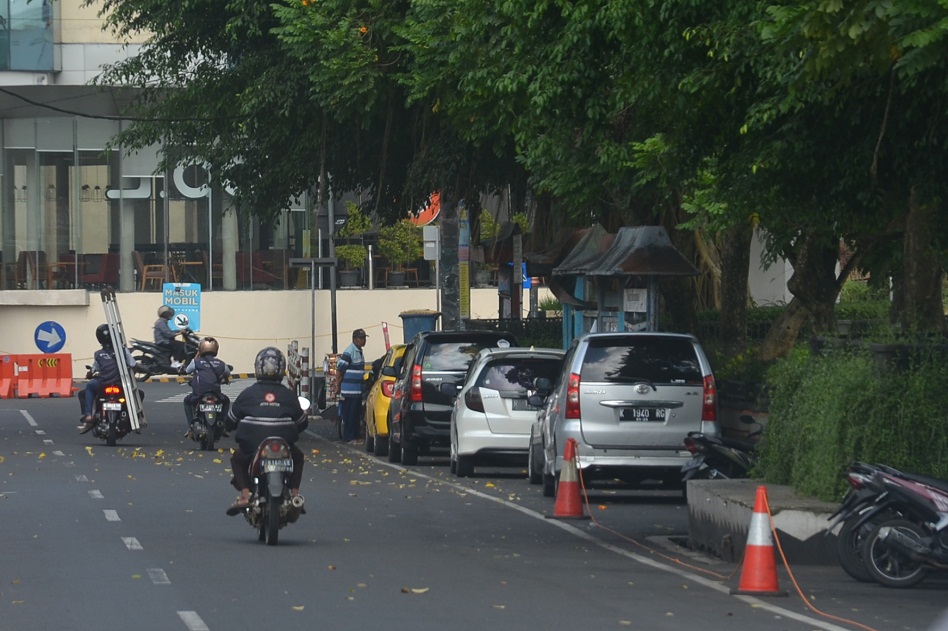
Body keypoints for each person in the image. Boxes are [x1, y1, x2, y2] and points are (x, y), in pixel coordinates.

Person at [225, 347, 308, 515]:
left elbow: (230, 421)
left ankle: (246, 494)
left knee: (237, 460)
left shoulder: (247, 393)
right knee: (298, 458)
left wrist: (228, 428)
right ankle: (294, 494)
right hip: (284, 442)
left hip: (252, 444)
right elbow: (302, 423)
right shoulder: (289, 395)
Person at [79, 324, 137, 434]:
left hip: (102, 384)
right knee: (138, 394)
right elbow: (133, 365)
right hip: (121, 384)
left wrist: (89, 374)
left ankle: (88, 415)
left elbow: (94, 369)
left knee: (89, 387)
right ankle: (134, 418)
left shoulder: (99, 354)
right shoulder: (123, 351)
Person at [182, 336, 231, 437]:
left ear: (201, 349)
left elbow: (187, 371)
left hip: (199, 394)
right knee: (226, 401)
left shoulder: (196, 362)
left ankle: (191, 427)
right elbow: (227, 373)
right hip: (216, 394)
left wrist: (197, 355)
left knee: (187, 401)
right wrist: (225, 381)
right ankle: (223, 423)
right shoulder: (221, 364)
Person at [336, 328, 368, 444]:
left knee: (356, 414)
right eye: (361, 338)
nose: (363, 340)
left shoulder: (358, 351)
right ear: (354, 339)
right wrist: (337, 385)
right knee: (350, 414)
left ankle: (356, 436)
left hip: (357, 390)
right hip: (350, 390)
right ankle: (349, 437)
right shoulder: (349, 351)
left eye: (364, 338)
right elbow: (340, 369)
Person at [154, 305, 186, 369]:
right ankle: (175, 362)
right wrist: (179, 333)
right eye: (169, 313)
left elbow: (169, 331)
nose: (171, 314)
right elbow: (168, 334)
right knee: (180, 345)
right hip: (163, 341)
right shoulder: (161, 322)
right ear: (166, 314)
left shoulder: (163, 321)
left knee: (179, 344)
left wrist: (179, 330)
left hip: (164, 340)